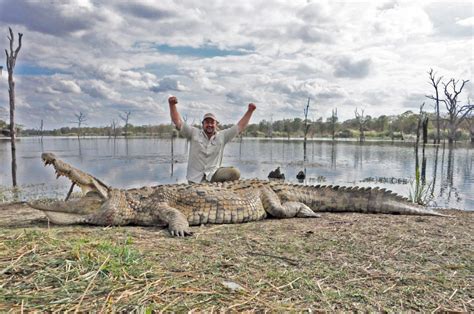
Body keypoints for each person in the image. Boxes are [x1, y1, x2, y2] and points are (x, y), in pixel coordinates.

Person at [168, 96, 256, 183]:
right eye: (207, 122)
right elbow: (178, 122)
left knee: (235, 173)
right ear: (202, 124)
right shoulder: (193, 133)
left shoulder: (223, 136)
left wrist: (250, 111)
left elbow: (240, 127)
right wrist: (172, 105)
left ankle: (219, 188)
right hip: (194, 178)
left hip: (213, 176)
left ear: (216, 124)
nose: (209, 125)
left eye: (212, 122)